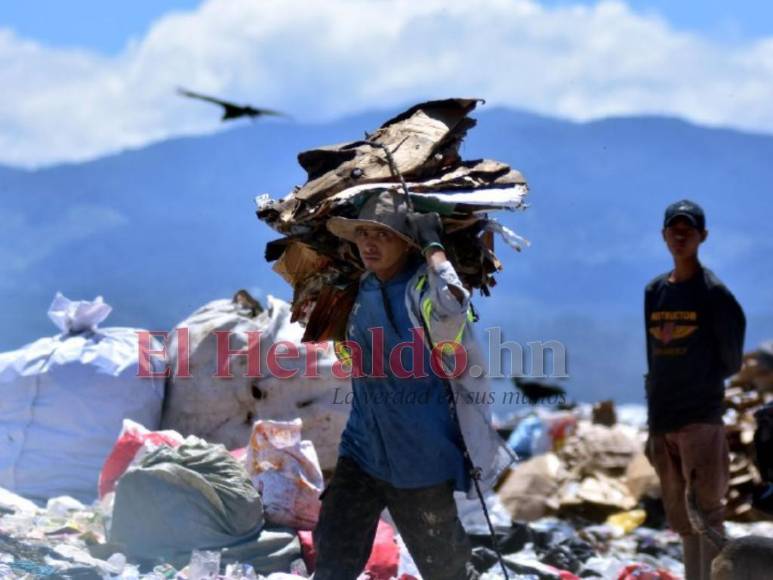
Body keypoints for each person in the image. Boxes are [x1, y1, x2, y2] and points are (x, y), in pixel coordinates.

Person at [312, 191, 516, 580]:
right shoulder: (359, 289)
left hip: (419, 458)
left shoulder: (422, 290)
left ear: (406, 243)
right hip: (363, 447)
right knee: (333, 559)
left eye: (383, 235)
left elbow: (453, 305)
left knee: (447, 571)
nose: (370, 243)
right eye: (364, 233)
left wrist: (434, 247)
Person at [644, 199, 746, 580]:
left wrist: (695, 383)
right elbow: (654, 357)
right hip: (663, 421)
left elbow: (731, 360)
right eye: (675, 228)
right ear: (664, 235)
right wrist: (653, 422)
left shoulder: (715, 295)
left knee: (708, 514)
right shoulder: (655, 292)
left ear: (703, 236)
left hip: (700, 418)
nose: (681, 235)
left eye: (689, 229)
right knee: (683, 520)